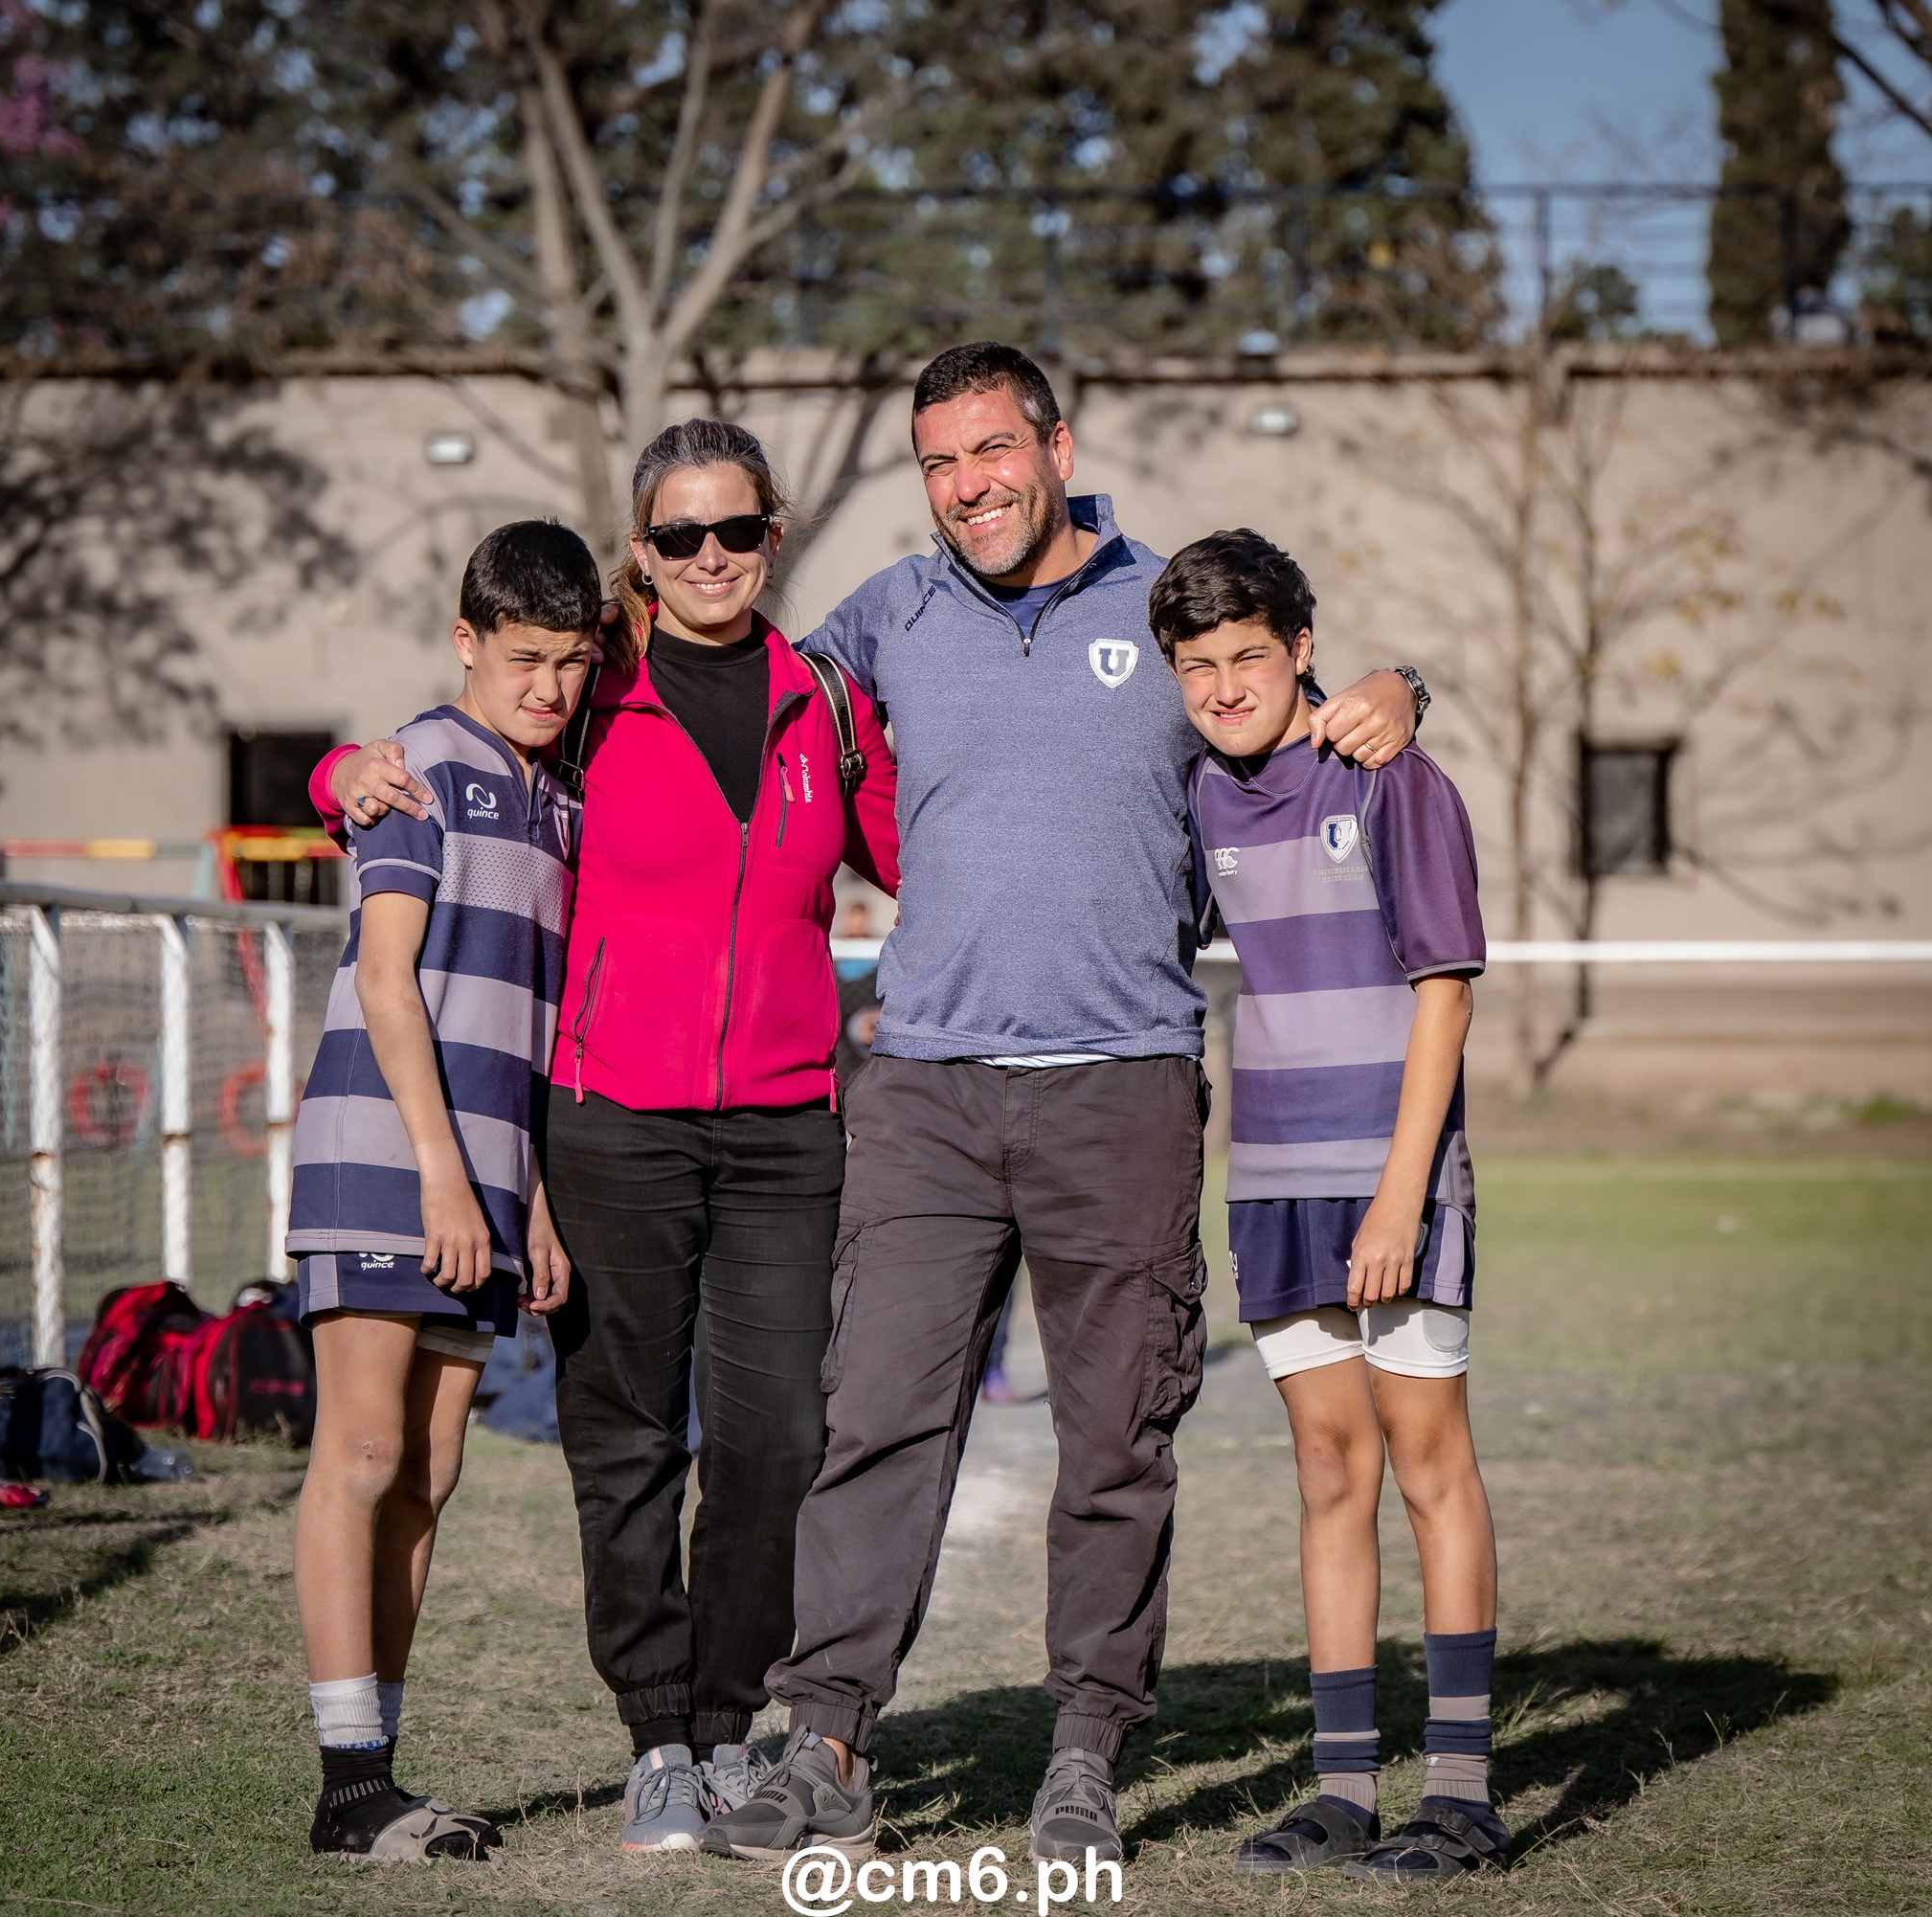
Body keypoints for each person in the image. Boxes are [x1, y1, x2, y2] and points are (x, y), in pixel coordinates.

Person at [701, 344, 1425, 1868]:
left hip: (1126, 1087)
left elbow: (1281, 699)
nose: (968, 485)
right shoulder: (889, 612)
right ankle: (825, 1738)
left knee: (1115, 1440)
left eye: (991, 450)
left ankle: (1086, 1747)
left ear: (1056, 442)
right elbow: (721, 666)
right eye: (940, 462)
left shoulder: (1163, 610)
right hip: (927, 1093)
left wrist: (1401, 684)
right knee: (879, 1416)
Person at [310, 421, 901, 1852]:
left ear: (773, 534)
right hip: (611, 1122)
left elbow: (940, 846)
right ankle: (655, 1741)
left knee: (777, 1438)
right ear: (643, 550)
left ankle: (723, 1722)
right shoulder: (591, 685)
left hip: (782, 1125)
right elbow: (433, 748)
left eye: (738, 532)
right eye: (681, 536)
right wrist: (342, 772)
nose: (712, 559)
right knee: (625, 1441)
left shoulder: (827, 697)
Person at [1155, 530, 1507, 1884]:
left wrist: (1401, 1194)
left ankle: (1464, 1792)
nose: (1228, 684)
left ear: (1302, 649)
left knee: (1428, 1463)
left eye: (1251, 654)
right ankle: (1345, 1789)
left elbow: (1447, 990)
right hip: (1276, 1181)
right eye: (1201, 665)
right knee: (1328, 1475)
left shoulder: (1391, 773)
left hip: (1391, 1178)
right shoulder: (1199, 794)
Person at [286, 519, 591, 1861]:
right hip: (386, 1162)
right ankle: (347, 1784)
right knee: (358, 1453)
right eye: (524, 658)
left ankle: (380, 1775)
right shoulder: (419, 773)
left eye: (573, 663)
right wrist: (443, 1176)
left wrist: (528, 1198)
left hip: (486, 1180)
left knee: (432, 1467)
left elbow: (527, 1026)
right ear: (468, 641)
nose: (549, 687)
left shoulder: (562, 798)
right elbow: (388, 981)